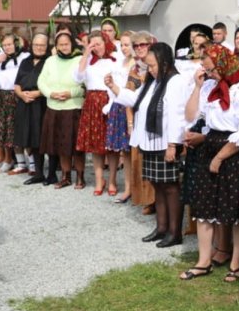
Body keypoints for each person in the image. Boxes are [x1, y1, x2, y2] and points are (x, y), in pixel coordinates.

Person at [180, 44, 239, 280]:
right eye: (206, 70)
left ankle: (236, 263)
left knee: (237, 211)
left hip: (237, 153)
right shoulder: (211, 87)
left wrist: (219, 156)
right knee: (204, 206)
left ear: (224, 64)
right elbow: (192, 116)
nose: (210, 74)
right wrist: (203, 138)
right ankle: (203, 261)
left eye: (212, 69)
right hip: (212, 144)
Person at [110, 43, 188, 247]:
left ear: (164, 62)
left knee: (170, 187)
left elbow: (177, 115)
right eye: (148, 66)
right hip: (149, 141)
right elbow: (136, 100)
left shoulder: (175, 81)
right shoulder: (153, 82)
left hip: (165, 142)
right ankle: (161, 227)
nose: (150, 69)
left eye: (152, 65)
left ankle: (174, 232)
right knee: (157, 185)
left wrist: (173, 145)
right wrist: (114, 88)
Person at [74, 33, 121, 196]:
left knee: (111, 145)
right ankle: (100, 180)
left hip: (110, 100)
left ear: (105, 43)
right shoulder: (87, 61)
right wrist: (85, 54)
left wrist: (112, 101)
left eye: (99, 44)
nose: (96, 47)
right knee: (96, 145)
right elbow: (78, 77)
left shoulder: (115, 59)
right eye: (92, 44)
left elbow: (119, 81)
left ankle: (113, 179)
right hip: (92, 102)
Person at [37, 31, 85, 189]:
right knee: (61, 145)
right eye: (61, 44)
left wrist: (71, 93)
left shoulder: (80, 59)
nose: (64, 47)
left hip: (73, 107)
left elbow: (85, 85)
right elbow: (41, 81)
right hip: (54, 107)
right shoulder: (50, 61)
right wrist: (51, 94)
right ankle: (65, 176)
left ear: (72, 44)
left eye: (67, 44)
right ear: (56, 46)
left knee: (76, 146)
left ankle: (80, 177)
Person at [123, 30, 158, 208]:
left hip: (155, 119)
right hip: (138, 118)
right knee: (139, 161)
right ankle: (145, 199)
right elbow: (128, 99)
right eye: (135, 46)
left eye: (142, 44)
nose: (139, 48)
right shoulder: (134, 69)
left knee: (153, 159)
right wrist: (130, 124)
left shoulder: (158, 66)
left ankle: (155, 200)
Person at [15, 34, 52, 186]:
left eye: (42, 45)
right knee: (30, 138)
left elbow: (54, 84)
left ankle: (51, 173)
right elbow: (17, 84)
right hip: (25, 103)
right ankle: (38, 173)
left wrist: (38, 93)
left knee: (43, 138)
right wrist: (22, 95)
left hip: (42, 103)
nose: (39, 47)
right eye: (36, 44)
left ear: (47, 46)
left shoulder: (50, 62)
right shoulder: (25, 62)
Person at [0, 34, 25, 173]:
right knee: (1, 128)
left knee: (13, 129)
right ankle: (4, 159)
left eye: (9, 44)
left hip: (15, 95)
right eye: (4, 45)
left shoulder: (24, 57)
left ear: (16, 44)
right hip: (1, 94)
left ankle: (17, 161)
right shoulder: (0, 59)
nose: (7, 47)